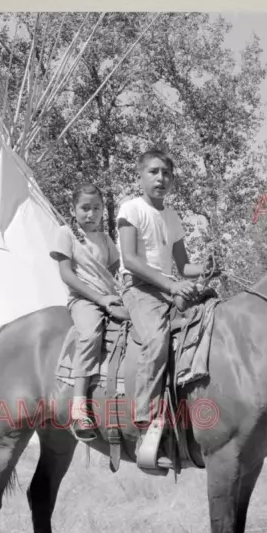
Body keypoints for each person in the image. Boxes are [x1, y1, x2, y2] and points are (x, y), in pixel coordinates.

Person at [117, 148, 217, 467]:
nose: (161, 178)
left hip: (164, 288)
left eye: (167, 173)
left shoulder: (171, 217)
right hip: (138, 287)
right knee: (156, 340)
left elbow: (183, 265)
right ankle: (145, 423)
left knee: (209, 315)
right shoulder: (131, 209)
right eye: (154, 172)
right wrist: (172, 285)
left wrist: (205, 267)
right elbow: (131, 261)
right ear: (141, 176)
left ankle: (188, 415)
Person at [50, 182, 128, 442]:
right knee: (91, 333)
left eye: (96, 208)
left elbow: (119, 270)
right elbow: (66, 274)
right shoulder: (66, 234)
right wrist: (99, 298)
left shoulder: (105, 239)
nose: (90, 214)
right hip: (84, 300)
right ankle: (79, 407)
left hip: (110, 297)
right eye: (84, 208)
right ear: (73, 210)